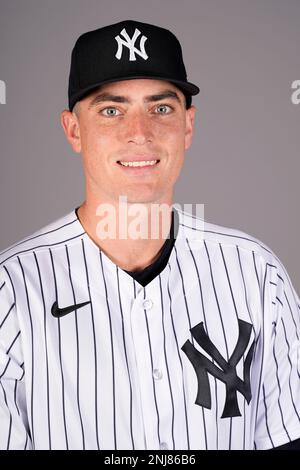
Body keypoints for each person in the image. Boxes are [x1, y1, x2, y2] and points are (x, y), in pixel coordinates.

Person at [0, 19, 299, 451]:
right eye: (111, 110)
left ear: (188, 126)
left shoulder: (257, 274)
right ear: (73, 130)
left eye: (161, 108)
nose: (139, 133)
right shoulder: (10, 291)